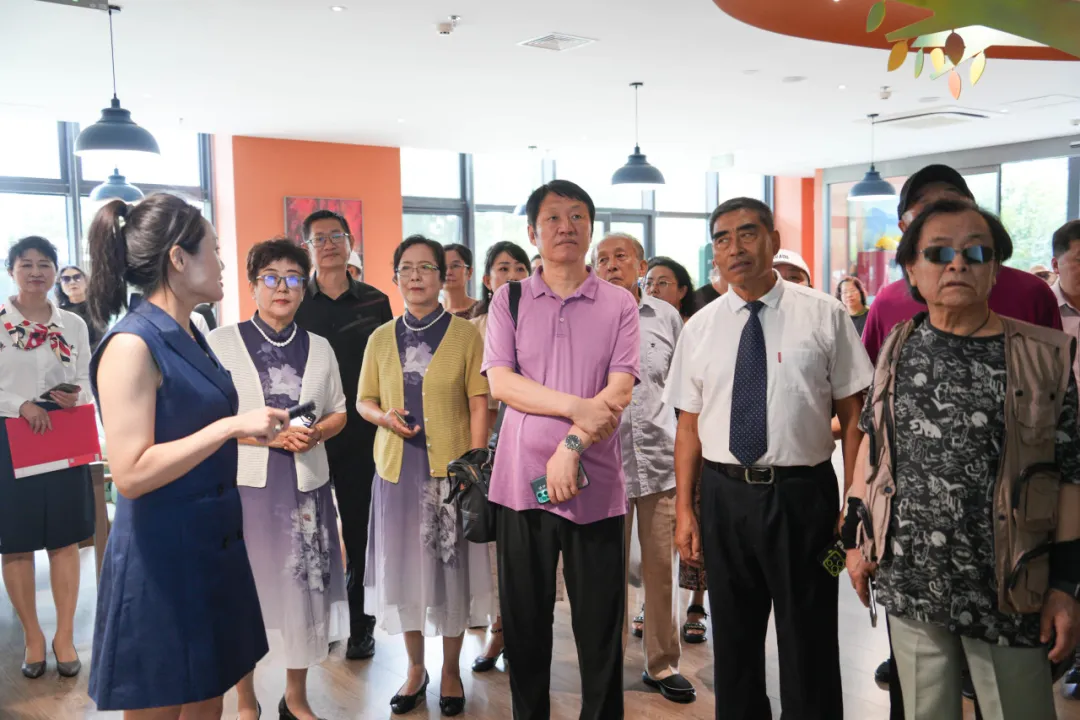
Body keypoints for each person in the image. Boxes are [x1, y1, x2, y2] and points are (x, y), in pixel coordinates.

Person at [846, 200, 1080, 720]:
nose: (958, 264)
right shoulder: (897, 347)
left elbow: (1069, 477)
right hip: (910, 576)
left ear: (994, 269)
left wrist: (1066, 585)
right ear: (912, 270)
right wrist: (856, 539)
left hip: (1010, 583)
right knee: (925, 711)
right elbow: (873, 448)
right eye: (939, 253)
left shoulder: (1042, 357)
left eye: (975, 252)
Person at [666, 197, 872, 720]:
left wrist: (854, 500)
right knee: (733, 637)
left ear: (773, 241)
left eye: (747, 233)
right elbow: (688, 427)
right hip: (723, 494)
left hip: (803, 495)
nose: (735, 248)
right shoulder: (700, 327)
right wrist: (686, 509)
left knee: (809, 635)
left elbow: (854, 416)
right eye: (722, 239)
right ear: (714, 253)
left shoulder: (823, 313)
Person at [86, 194, 288, 717]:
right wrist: (229, 426)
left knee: (208, 700)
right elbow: (130, 473)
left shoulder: (192, 334)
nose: (222, 262)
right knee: (161, 704)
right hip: (161, 558)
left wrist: (248, 433)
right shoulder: (131, 345)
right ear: (178, 258)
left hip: (210, 545)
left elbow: (186, 427)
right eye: (214, 250)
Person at [484, 180, 639, 720]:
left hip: (597, 486)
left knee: (600, 628)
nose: (565, 226)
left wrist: (571, 445)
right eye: (552, 218)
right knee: (525, 625)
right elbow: (502, 383)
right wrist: (578, 408)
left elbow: (620, 390)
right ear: (533, 232)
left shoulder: (619, 302)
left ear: (590, 229)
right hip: (520, 486)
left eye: (577, 216)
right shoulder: (510, 299)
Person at [208, 239, 349, 720]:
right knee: (242, 591)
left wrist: (316, 434)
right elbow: (212, 423)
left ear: (304, 287)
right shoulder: (221, 343)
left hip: (306, 488)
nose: (282, 287)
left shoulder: (320, 347)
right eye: (270, 277)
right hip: (245, 488)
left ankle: (295, 697)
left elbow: (338, 411)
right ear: (252, 285)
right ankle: (246, 700)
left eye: (292, 278)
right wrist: (268, 439)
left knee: (302, 590)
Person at [357, 235, 494, 717]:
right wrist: (383, 418)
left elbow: (479, 401)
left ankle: (451, 669)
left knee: (450, 571)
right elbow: (364, 400)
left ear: (443, 275)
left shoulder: (466, 335)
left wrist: (475, 461)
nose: (415, 276)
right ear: (395, 277)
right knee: (405, 571)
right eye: (406, 268)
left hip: (450, 474)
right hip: (396, 473)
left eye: (426, 268)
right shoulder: (379, 338)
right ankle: (416, 669)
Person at [595, 233, 695, 703]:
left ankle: (662, 663)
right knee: (605, 573)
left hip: (659, 461)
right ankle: (606, 665)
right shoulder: (585, 318)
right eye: (602, 259)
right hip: (602, 466)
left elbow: (685, 390)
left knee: (660, 569)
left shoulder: (667, 317)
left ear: (641, 266)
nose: (611, 265)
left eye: (621, 257)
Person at [293, 209, 392, 661]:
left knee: (360, 531)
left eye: (336, 236)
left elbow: (386, 368)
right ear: (307, 247)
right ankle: (320, 624)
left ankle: (360, 624)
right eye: (319, 238)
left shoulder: (375, 302)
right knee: (311, 532)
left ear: (351, 243)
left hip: (361, 435)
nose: (329, 244)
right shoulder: (294, 298)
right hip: (306, 434)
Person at [0, 237, 93, 681]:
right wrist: (19, 404)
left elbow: (85, 376)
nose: (36, 272)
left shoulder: (72, 324)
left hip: (61, 434)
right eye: (26, 264)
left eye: (45, 264)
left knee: (65, 538)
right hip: (9, 436)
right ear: (11, 271)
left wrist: (76, 396)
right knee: (15, 542)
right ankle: (33, 637)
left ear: (56, 271)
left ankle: (64, 636)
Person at [862, 164, 1062, 366]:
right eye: (926, 207)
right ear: (904, 228)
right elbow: (870, 378)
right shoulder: (887, 304)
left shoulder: (1031, 293)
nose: (942, 216)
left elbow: (1054, 372)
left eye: (953, 203)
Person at [466, 240, 532, 674]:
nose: (510, 275)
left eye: (518, 267)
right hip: (491, 448)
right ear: (488, 280)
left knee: (532, 549)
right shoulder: (473, 329)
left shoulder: (543, 318)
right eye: (502, 268)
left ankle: (527, 633)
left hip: (536, 446)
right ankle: (499, 629)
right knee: (496, 549)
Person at [644, 255, 709, 643]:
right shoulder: (638, 323)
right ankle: (650, 606)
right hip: (652, 444)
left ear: (683, 290)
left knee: (692, 527)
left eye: (664, 282)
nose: (654, 288)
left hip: (688, 440)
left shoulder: (694, 328)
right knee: (655, 542)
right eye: (650, 282)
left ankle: (696, 604)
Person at [55, 264, 103, 347]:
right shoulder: (57, 314)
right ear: (60, 285)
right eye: (66, 279)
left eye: (77, 277)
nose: (72, 282)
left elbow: (102, 339)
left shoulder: (98, 307)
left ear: (86, 281)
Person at [645, 256, 700, 322]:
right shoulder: (639, 324)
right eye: (648, 283)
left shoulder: (696, 325)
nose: (653, 289)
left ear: (682, 291)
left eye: (662, 283)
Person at [442, 243, 477, 317]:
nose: (448, 272)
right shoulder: (430, 313)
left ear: (469, 272)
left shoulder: (482, 310)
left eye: (455, 266)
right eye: (443, 267)